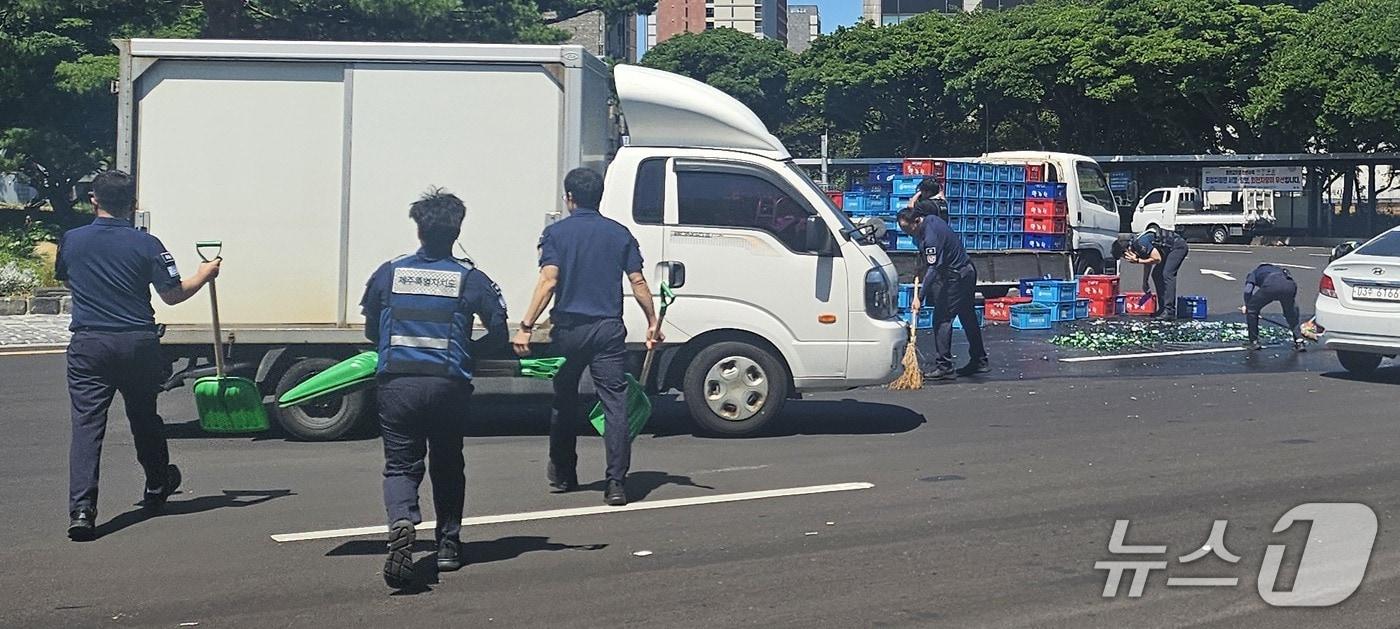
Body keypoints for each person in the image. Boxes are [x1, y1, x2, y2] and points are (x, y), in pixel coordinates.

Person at [56, 170, 221, 541]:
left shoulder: (72, 240)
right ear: (132, 204)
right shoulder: (147, 244)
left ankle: (82, 509)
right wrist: (205, 273)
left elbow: (69, 278)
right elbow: (173, 294)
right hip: (137, 342)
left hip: (89, 342)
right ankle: (156, 483)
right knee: (144, 415)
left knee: (86, 426)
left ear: (93, 199)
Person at [360, 189, 508, 589]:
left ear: (419, 229)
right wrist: (467, 352)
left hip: (398, 385)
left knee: (401, 466)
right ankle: (447, 546)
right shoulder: (471, 278)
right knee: (447, 463)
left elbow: (372, 329)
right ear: (457, 230)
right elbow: (499, 333)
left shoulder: (389, 272)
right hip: (448, 386)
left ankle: (403, 520)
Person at [512, 168, 663, 507]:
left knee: (564, 400)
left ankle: (564, 473)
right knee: (615, 404)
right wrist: (652, 321)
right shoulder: (619, 233)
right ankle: (616, 484)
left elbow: (549, 281)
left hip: (568, 330)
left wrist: (526, 325)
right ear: (600, 196)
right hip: (608, 329)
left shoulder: (557, 234)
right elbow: (638, 281)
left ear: (569, 198)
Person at [897, 178, 988, 381]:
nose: (907, 233)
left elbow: (934, 268)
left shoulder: (930, 236)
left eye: (907, 229)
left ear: (916, 221)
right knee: (967, 316)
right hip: (966, 271)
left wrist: (919, 296)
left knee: (942, 319)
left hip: (958, 276)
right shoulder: (931, 220)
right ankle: (980, 360)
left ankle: (944, 365)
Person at [1118, 227, 1189, 318]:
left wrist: (1138, 260)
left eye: (1125, 256)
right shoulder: (1136, 245)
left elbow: (1157, 259)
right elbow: (1148, 261)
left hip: (1178, 247)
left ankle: (1169, 310)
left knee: (1167, 274)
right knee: (1156, 274)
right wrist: (1145, 281)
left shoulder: (1140, 243)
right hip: (1169, 249)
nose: (1127, 259)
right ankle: (1163, 308)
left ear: (1127, 250)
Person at [1241, 263, 1306, 351]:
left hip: (1271, 286)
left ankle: (1254, 342)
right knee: (1290, 313)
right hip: (1290, 285)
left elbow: (1248, 290)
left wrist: (1248, 306)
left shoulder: (1255, 273)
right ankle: (1299, 342)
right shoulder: (1279, 270)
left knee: (1252, 310)